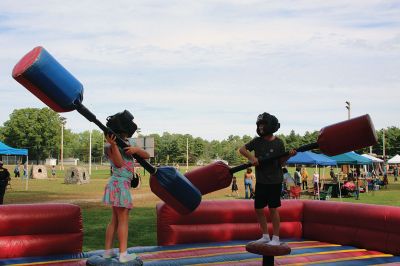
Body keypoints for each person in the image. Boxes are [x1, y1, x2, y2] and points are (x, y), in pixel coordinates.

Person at [239, 112, 296, 246]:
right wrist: (252, 158)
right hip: (261, 180)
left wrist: (289, 156)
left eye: (263, 124)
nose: (261, 127)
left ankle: (275, 238)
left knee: (273, 208)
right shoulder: (257, 141)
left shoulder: (279, 142)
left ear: (271, 126)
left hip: (275, 180)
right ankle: (265, 236)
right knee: (258, 208)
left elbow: (281, 163)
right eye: (259, 125)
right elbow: (242, 149)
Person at [102, 110, 150, 263]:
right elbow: (119, 163)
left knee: (115, 220)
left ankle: (108, 252)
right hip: (119, 184)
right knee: (123, 220)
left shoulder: (130, 144)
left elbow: (147, 155)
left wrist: (136, 150)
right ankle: (123, 254)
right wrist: (114, 145)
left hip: (120, 184)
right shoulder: (110, 147)